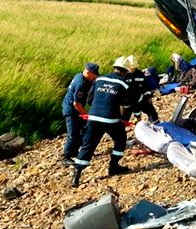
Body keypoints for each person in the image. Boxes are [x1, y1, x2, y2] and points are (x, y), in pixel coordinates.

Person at [72, 57, 131, 187]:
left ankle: (76, 176)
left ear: (114, 68)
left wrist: (97, 108)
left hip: (93, 118)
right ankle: (113, 167)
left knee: (88, 145)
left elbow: (89, 99)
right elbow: (125, 104)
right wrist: (123, 119)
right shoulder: (124, 84)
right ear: (125, 72)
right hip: (111, 119)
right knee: (120, 139)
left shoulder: (99, 79)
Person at [61, 62, 99, 167]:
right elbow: (76, 104)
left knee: (82, 130)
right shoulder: (81, 84)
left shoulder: (80, 76)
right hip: (71, 110)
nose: (95, 77)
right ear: (88, 72)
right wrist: (87, 116)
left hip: (76, 109)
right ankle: (65, 157)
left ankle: (74, 151)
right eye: (94, 74)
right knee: (73, 135)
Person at [122, 55, 160, 124]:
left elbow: (146, 86)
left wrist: (148, 97)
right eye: (130, 67)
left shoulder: (140, 74)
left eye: (133, 67)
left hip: (140, 97)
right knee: (123, 118)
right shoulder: (124, 75)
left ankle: (156, 123)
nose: (132, 69)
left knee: (151, 111)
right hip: (127, 101)